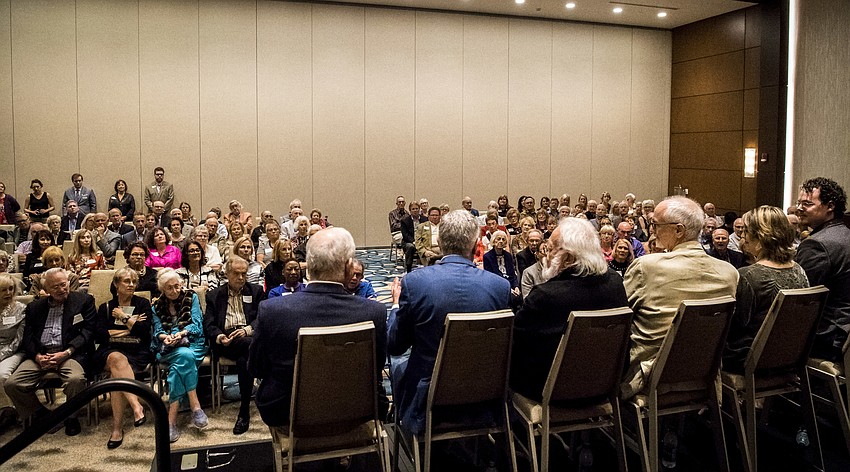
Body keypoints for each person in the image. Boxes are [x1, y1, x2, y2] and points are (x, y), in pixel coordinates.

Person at [249, 227, 388, 427]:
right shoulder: (374, 312)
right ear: (349, 267)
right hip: (356, 413)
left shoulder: (272, 311)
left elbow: (256, 367)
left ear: (309, 265)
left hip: (289, 415)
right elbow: (377, 366)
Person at [388, 210, 511, 434]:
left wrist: (396, 305)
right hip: (484, 396)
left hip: (428, 400)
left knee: (397, 364)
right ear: (475, 245)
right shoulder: (500, 287)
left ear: (441, 244)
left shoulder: (415, 283)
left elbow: (395, 344)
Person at [620, 196, 738, 399]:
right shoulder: (730, 273)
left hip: (650, 377)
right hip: (704, 373)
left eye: (655, 225)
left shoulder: (647, 267)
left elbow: (619, 317)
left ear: (678, 230)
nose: (652, 231)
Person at [511, 218, 628, 400]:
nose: (545, 257)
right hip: (604, 387)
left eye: (550, 250)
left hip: (551, 393)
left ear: (568, 258)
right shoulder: (615, 282)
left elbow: (514, 342)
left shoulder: (545, 295)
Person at [5, 268, 96, 436]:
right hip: (41, 355)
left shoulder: (83, 301)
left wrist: (67, 352)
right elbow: (28, 337)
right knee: (12, 384)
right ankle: (42, 414)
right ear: (46, 290)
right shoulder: (34, 307)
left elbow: (88, 332)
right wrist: (37, 356)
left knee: (76, 379)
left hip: (69, 353)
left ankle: (71, 417)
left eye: (64, 284)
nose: (62, 289)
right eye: (55, 287)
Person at [723, 206, 809, 373]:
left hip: (752, 360)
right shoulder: (799, 269)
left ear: (761, 237)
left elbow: (735, 327)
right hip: (790, 356)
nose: (742, 236)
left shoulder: (747, 275)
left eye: (747, 231)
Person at [93, 267, 153, 449]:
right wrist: (131, 326)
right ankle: (136, 406)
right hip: (109, 352)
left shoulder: (142, 304)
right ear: (116, 284)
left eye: (134, 282)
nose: (131, 285)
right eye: (127, 281)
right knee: (117, 359)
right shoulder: (105, 307)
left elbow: (144, 333)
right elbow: (101, 335)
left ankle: (117, 429)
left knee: (115, 376)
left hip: (137, 352)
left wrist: (123, 317)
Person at [204, 257, 265, 435]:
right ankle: (257, 393)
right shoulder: (214, 295)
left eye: (244, 274)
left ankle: (244, 409)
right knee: (250, 348)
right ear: (227, 273)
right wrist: (220, 336)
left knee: (243, 358)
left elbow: (261, 318)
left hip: (247, 338)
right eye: (236, 274)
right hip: (226, 341)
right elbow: (209, 324)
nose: (240, 277)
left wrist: (247, 330)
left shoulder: (256, 291)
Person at [795, 177, 850, 362]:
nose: (799, 208)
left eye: (807, 203)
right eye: (799, 203)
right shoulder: (845, 234)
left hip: (828, 336)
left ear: (830, 206)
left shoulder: (817, 244)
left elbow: (799, 296)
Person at [151, 268, 208, 442]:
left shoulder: (191, 297)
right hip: (168, 348)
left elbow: (197, 325)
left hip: (193, 342)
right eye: (170, 288)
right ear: (162, 290)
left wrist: (181, 334)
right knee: (184, 357)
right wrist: (166, 337)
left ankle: (170, 420)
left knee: (181, 361)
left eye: (177, 286)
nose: (175, 290)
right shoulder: (156, 306)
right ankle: (195, 405)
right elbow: (158, 331)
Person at [0, 274, 26, 431]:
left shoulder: (21, 309)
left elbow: (18, 340)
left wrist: (1, 355)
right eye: (3, 290)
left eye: (11, 289)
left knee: (2, 375)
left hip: (14, 350)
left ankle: (10, 411)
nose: (8, 293)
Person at [400, 202, 426, 273]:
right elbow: (405, 235)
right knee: (410, 247)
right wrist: (414, 242)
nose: (415, 210)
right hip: (409, 241)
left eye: (416, 208)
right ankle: (409, 268)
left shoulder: (425, 219)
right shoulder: (404, 220)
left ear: (419, 209)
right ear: (410, 210)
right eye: (413, 209)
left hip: (422, 241)